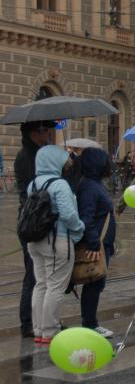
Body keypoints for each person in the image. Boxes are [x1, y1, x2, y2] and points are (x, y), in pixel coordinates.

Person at [26, 145, 84, 344]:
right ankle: (50, 330)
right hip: (57, 240)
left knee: (41, 284)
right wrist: (79, 228)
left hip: (35, 241)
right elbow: (68, 215)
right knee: (55, 286)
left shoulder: (33, 184)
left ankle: (38, 329)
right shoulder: (60, 185)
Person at [16, 121, 56, 337]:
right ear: (34, 133)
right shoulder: (28, 156)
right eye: (45, 130)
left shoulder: (34, 153)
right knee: (33, 275)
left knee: (38, 274)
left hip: (32, 217)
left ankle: (39, 320)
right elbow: (36, 189)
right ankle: (28, 322)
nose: (49, 134)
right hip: (33, 219)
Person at [73, 147, 118, 337]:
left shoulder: (94, 184)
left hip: (102, 242)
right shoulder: (90, 187)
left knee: (97, 283)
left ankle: (90, 322)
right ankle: (90, 323)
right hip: (97, 244)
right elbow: (87, 217)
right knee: (94, 283)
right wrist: (94, 243)